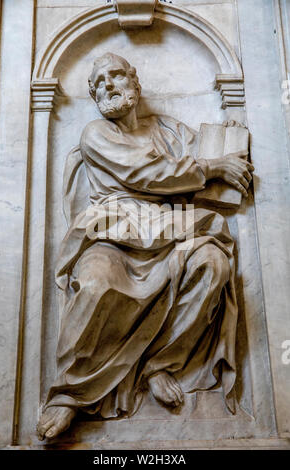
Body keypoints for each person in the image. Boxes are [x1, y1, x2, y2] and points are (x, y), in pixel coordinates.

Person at [37, 53, 254, 440]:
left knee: (213, 264)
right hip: (114, 231)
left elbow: (202, 153)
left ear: (134, 85)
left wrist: (228, 139)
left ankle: (161, 362)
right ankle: (70, 392)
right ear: (93, 94)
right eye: (99, 80)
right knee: (96, 281)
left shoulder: (168, 130)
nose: (108, 84)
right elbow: (150, 174)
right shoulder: (96, 134)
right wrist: (213, 166)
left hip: (169, 226)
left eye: (116, 75)